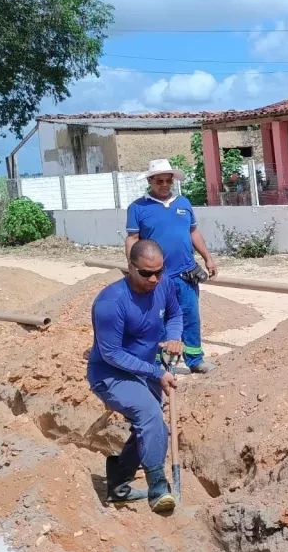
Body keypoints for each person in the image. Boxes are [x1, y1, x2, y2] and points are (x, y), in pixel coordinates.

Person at [88, 239, 181, 513]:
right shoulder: (110, 303)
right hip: (110, 374)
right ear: (130, 267)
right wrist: (157, 371)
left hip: (144, 370)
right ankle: (158, 488)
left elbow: (175, 314)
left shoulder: (164, 284)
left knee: (153, 430)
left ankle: (118, 483)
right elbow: (112, 354)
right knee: (151, 416)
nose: (154, 279)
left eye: (159, 272)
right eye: (146, 273)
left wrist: (174, 336)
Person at [125, 158, 218, 374]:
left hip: (185, 274)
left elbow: (193, 232)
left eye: (168, 181)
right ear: (150, 181)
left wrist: (208, 258)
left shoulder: (183, 203)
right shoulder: (138, 208)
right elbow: (132, 239)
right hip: (157, 277)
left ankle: (195, 360)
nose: (165, 185)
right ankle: (158, 364)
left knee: (190, 316)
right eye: (159, 181)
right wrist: (134, 267)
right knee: (157, 319)